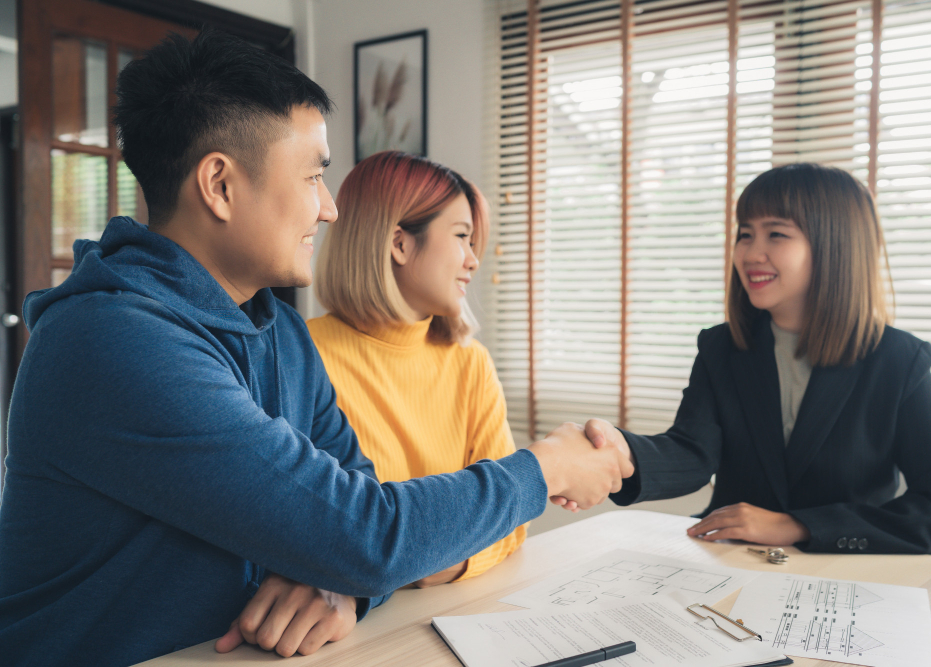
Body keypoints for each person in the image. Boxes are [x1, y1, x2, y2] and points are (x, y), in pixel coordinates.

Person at [0, 31, 632, 667]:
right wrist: (545, 468)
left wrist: (344, 585)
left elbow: (353, 508)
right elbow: (365, 533)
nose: (329, 209)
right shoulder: (115, 342)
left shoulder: (279, 331)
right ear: (219, 185)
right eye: (314, 176)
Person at [581, 163, 931, 557]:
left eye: (776, 234)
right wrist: (622, 453)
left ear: (833, 245)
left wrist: (800, 526)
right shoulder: (721, 347)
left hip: (845, 575)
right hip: (733, 560)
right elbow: (693, 453)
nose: (751, 253)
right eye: (745, 234)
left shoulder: (899, 360)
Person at [307, 151, 526, 586]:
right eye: (462, 236)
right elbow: (314, 528)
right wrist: (430, 544)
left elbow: (513, 517)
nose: (473, 260)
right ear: (400, 243)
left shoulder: (470, 363)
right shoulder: (303, 353)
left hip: (449, 609)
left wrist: (431, 562)